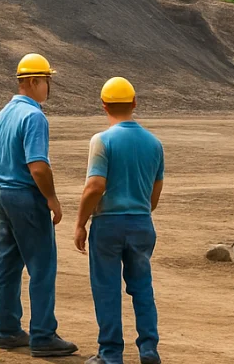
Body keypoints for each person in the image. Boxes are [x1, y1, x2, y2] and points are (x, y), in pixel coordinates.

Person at [0, 53, 78, 358]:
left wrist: (7, 180)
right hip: (26, 197)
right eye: (47, 81)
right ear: (34, 82)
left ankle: (9, 331)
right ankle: (43, 335)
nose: (49, 87)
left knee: (8, 265)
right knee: (42, 266)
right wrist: (51, 198)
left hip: (4, 195)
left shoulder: (1, 115)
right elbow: (38, 166)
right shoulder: (34, 116)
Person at [74, 77, 164, 364]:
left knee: (107, 289)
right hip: (141, 223)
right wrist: (140, 212)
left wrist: (81, 223)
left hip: (108, 226)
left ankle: (111, 353)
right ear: (134, 103)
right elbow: (155, 192)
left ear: (104, 106)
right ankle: (148, 348)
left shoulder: (102, 141)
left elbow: (95, 186)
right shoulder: (154, 143)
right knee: (142, 288)